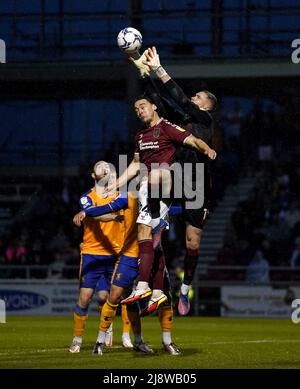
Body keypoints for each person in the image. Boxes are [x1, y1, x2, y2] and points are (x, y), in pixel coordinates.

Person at [129, 46, 217, 315]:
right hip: (174, 176)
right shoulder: (181, 120)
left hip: (197, 183)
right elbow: (160, 99)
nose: (194, 97)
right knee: (153, 216)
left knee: (193, 242)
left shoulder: (204, 118)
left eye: (198, 96)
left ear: (206, 105)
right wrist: (145, 73)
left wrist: (158, 68)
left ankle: (184, 286)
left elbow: (178, 97)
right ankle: (150, 278)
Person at [113, 95, 216, 313]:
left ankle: (184, 288)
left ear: (153, 107)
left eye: (142, 106)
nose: (139, 110)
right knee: (148, 238)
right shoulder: (140, 135)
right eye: (136, 108)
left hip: (186, 183)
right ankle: (155, 290)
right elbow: (135, 164)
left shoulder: (173, 126)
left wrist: (206, 148)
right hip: (154, 189)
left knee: (192, 242)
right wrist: (117, 184)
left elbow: (191, 139)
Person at [73, 161, 181, 355]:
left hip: (154, 254)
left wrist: (195, 212)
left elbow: (176, 210)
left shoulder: (159, 201)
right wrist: (87, 210)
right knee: (115, 296)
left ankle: (165, 341)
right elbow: (102, 209)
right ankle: (99, 341)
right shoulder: (128, 198)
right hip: (130, 254)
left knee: (165, 297)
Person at [69, 160, 139, 353]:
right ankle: (77, 339)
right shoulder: (86, 198)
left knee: (122, 295)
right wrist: (113, 215)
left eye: (108, 166)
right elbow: (94, 214)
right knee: (86, 297)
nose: (105, 166)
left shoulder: (121, 196)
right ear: (93, 175)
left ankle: (125, 335)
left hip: (116, 253)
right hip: (92, 253)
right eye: (100, 165)